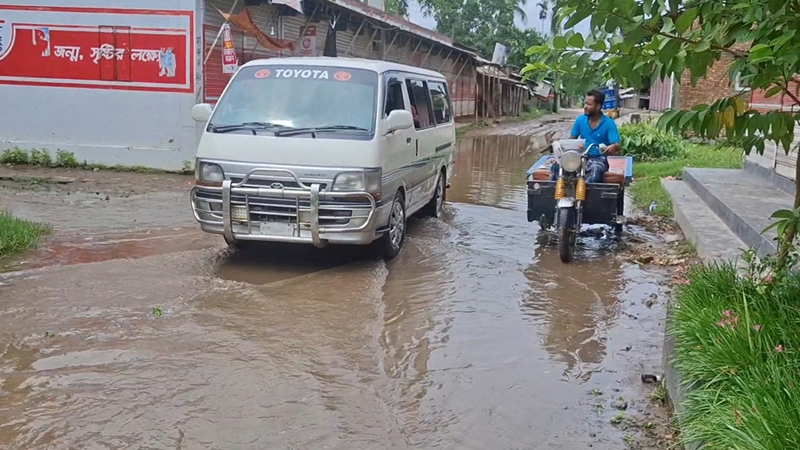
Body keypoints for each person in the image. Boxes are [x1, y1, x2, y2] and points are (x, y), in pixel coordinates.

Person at [550, 89, 621, 183]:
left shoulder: (609, 123)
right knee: (557, 166)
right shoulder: (580, 120)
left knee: (595, 169)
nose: (585, 106)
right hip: (579, 156)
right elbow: (572, 140)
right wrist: (560, 148)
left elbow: (617, 145)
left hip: (598, 159)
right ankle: (555, 191)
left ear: (598, 106)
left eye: (589, 104)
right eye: (585, 103)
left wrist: (614, 146)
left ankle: (586, 191)